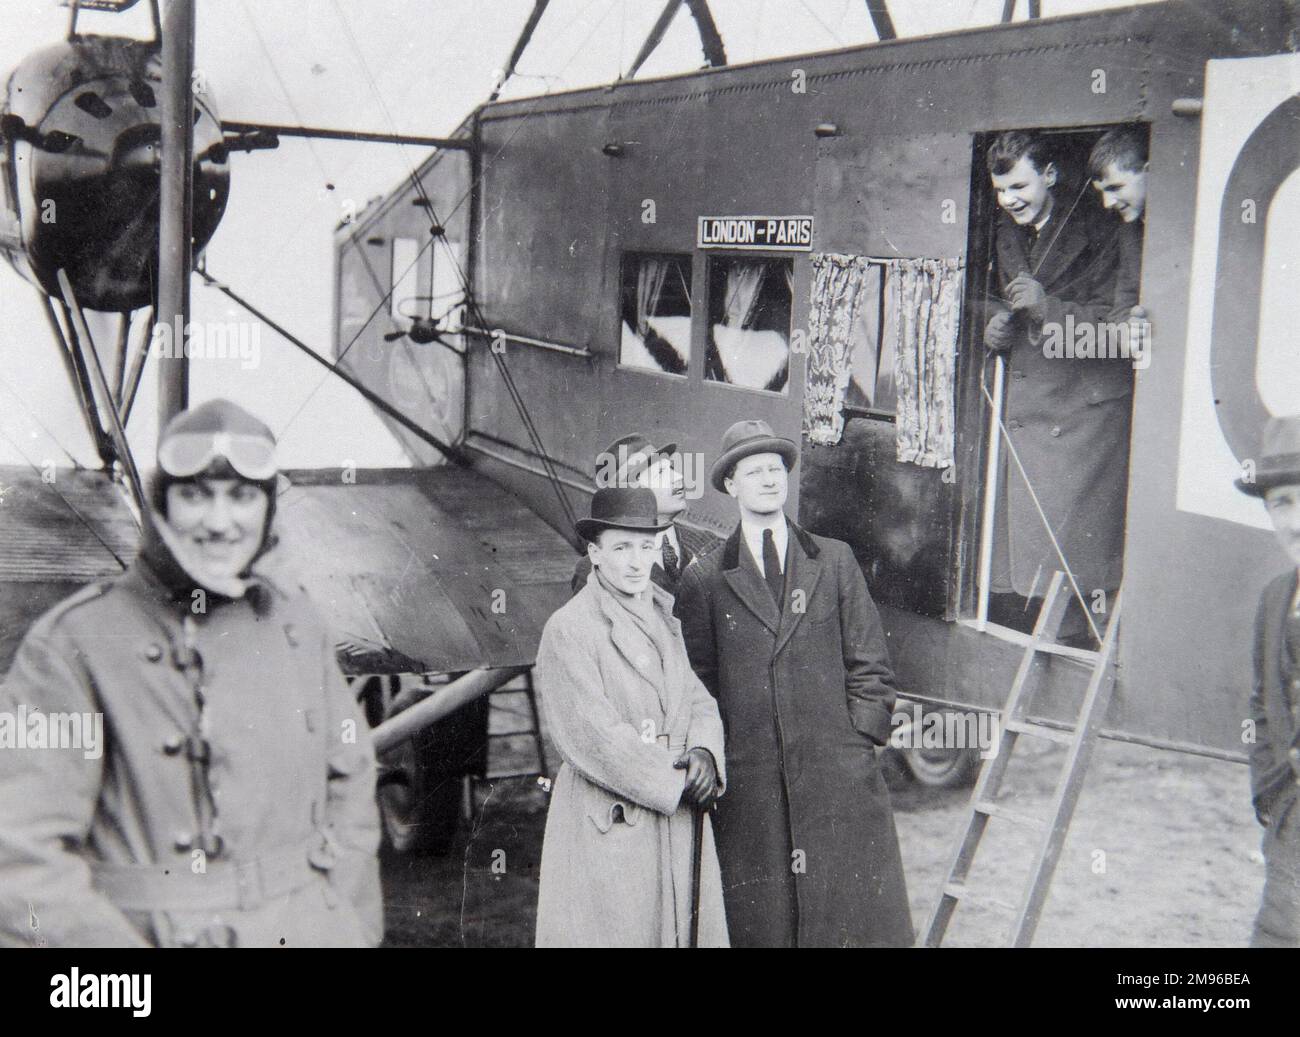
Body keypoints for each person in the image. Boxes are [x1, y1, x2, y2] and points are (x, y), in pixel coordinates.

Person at [0, 399, 382, 947]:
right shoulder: (75, 640)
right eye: (195, 495)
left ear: (268, 508)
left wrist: (343, 926)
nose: (220, 522)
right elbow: (18, 855)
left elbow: (351, 779)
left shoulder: (297, 622)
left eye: (242, 496)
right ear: (162, 506)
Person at [676, 420, 912, 947]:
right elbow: (698, 689)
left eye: (776, 468)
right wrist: (722, 761)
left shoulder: (834, 559)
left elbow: (871, 661)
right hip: (754, 793)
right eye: (753, 470)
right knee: (768, 927)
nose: (768, 479)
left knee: (850, 922)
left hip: (838, 784)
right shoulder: (706, 579)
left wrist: (861, 742)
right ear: (731, 485)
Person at [534, 487, 727, 947]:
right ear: (595, 553)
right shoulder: (569, 628)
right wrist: (674, 779)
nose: (637, 561)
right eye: (622, 547)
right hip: (611, 821)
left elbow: (697, 698)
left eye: (647, 546)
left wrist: (704, 752)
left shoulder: (663, 615)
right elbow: (593, 734)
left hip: (675, 819)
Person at [982, 131, 1132, 642]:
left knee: (1078, 553)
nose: (1010, 200)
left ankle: (1077, 635)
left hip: (1082, 417)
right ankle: (1051, 629)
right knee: (1038, 553)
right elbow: (990, 300)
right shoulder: (1008, 230)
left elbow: (1122, 337)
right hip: (1034, 406)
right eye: (1001, 191)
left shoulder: (1106, 228)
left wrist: (1049, 310)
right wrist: (994, 331)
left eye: (1020, 185)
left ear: (1050, 175)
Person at [1235, 414, 1300, 948]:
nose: (1297, 521)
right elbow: (1262, 706)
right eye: (1283, 502)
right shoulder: (1276, 598)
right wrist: (1271, 798)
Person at [571, 433, 705, 597]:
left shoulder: (708, 544)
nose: (679, 477)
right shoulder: (593, 571)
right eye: (661, 473)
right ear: (630, 492)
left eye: (672, 468)